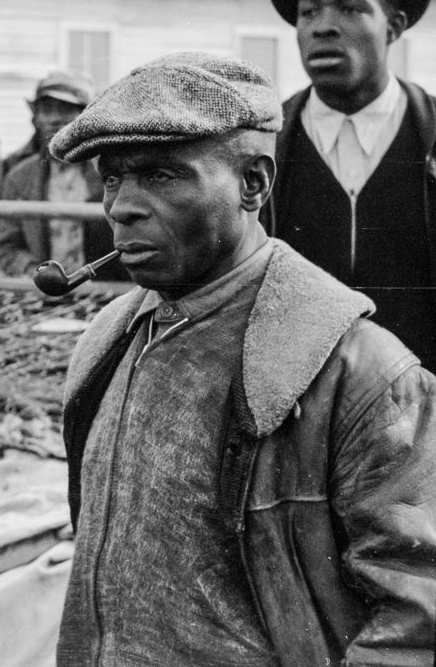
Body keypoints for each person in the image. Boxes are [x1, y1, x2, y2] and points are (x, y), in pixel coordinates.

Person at [47, 52, 436, 665]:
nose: (122, 206)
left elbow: (417, 617)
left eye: (162, 175)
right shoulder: (107, 343)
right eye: (114, 177)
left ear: (254, 183)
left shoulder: (360, 373)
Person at [264, 0, 436, 371]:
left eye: (351, 9)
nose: (323, 27)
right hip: (296, 409)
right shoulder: (262, 146)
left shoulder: (432, 133)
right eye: (308, 12)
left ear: (394, 27)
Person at [0, 72, 123, 279]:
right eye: (46, 110)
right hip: (47, 295)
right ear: (35, 119)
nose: (54, 119)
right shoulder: (20, 177)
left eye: (65, 110)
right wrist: (36, 273)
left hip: (106, 291)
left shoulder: (113, 170)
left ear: (86, 117)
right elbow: (8, 248)